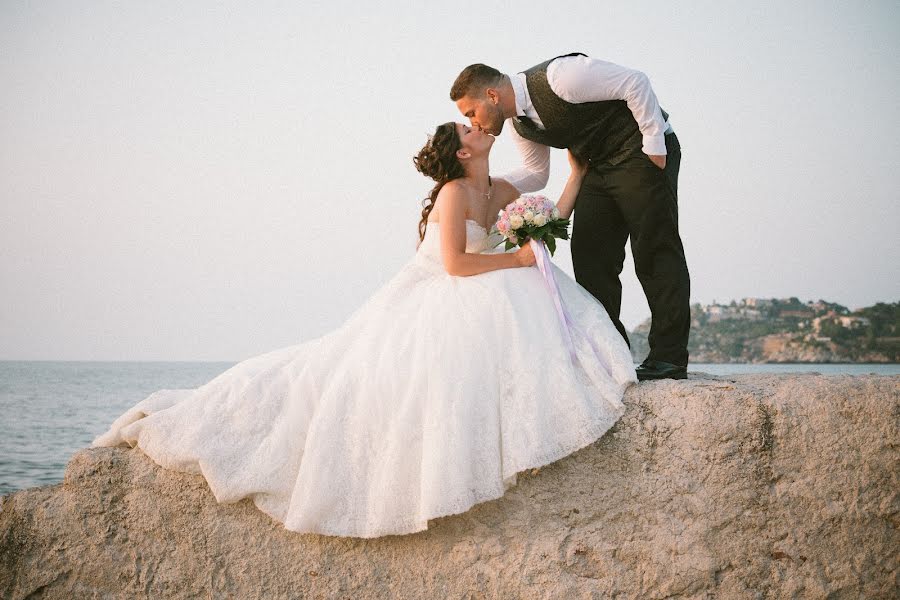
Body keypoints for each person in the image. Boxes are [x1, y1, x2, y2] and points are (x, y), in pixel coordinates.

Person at [92, 122, 636, 538]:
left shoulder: (497, 189)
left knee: (529, 288)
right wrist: (516, 263)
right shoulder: (453, 194)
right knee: (330, 372)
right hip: (434, 289)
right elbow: (455, 265)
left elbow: (541, 224)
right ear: (463, 151)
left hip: (478, 281)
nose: (476, 125)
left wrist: (577, 177)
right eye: (467, 127)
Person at [451, 54, 691, 381]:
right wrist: (480, 186)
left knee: (652, 249)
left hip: (640, 153)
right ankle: (614, 355)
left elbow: (635, 82)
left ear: (491, 96)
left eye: (471, 113)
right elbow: (536, 174)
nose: (474, 122)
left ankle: (668, 358)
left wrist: (654, 143)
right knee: (590, 254)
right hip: (596, 166)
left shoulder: (561, 77)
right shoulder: (521, 126)